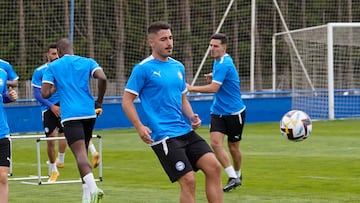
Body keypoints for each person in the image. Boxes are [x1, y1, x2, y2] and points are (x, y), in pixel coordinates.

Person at [122, 21, 223, 203]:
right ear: (151, 42)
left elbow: (182, 97)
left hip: (185, 130)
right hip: (164, 136)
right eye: (163, 39)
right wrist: (139, 126)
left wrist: (191, 116)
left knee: (214, 167)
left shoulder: (178, 67)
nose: (169, 43)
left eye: (170, 38)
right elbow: (126, 101)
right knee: (188, 180)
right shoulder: (143, 69)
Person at [41, 38, 106, 203]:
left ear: (59, 52)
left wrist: (56, 86)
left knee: (80, 155)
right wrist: (99, 101)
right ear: (72, 49)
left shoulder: (53, 66)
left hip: (70, 115)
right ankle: (85, 196)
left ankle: (94, 189)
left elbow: (45, 94)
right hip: (89, 113)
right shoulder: (87, 61)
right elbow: (103, 78)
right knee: (83, 151)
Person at [187, 33, 246, 192]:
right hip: (218, 111)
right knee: (215, 143)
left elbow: (214, 88)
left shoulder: (224, 64)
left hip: (234, 112)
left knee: (233, 148)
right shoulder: (220, 61)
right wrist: (214, 75)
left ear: (224, 48)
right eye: (211, 45)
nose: (211, 49)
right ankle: (232, 176)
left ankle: (238, 174)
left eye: (215, 46)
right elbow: (223, 76)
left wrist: (191, 88)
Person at [31, 43, 67, 182]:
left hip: (63, 106)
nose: (55, 56)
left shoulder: (62, 69)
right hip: (48, 108)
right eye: (53, 54)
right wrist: (51, 106)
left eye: (57, 54)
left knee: (65, 134)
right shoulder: (40, 71)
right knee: (50, 139)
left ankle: (61, 160)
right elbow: (37, 94)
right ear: (47, 54)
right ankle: (54, 170)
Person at [0, 77, 18, 202]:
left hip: (2, 133)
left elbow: (3, 97)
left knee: (3, 177)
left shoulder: (2, 73)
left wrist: (10, 97)